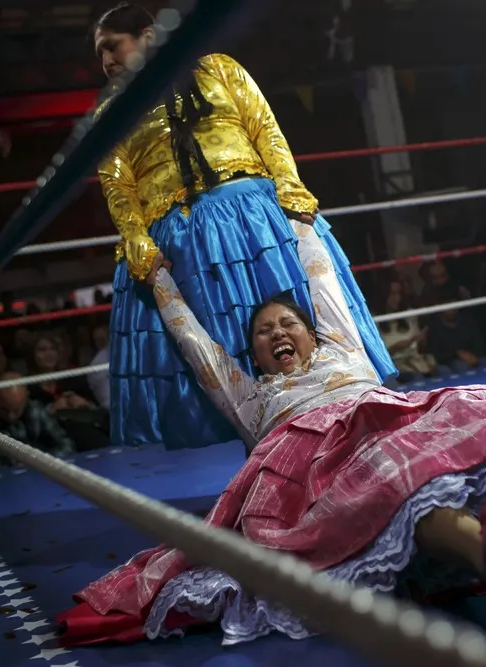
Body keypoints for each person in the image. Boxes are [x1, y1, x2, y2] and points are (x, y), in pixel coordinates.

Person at [56, 222, 486, 646]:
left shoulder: (345, 353)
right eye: (263, 334)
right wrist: (159, 278)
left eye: (287, 324)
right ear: (255, 356)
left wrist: (298, 212)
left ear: (312, 332)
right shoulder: (254, 398)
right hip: (315, 460)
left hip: (392, 414)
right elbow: (196, 346)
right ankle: (483, 549)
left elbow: (323, 281)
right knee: (384, 473)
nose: (276, 334)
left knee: (478, 403)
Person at [92, 3, 395, 450]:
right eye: (99, 55)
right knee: (219, 357)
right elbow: (116, 183)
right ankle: (273, 454)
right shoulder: (112, 112)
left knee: (303, 326)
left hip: (255, 222)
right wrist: (136, 239)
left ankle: (351, 427)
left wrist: (290, 192)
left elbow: (264, 129)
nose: (105, 62)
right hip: (184, 243)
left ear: (147, 34)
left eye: (111, 46)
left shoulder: (217, 69)